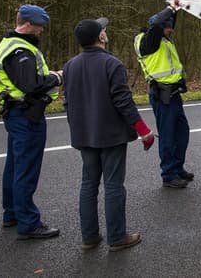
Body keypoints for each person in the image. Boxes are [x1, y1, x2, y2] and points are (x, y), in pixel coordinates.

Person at [63, 18, 156, 252]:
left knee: (88, 184)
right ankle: (117, 237)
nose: (105, 32)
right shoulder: (112, 64)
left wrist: (76, 127)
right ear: (101, 37)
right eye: (103, 30)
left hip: (84, 134)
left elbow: (68, 103)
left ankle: (90, 237)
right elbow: (123, 101)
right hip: (111, 134)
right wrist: (143, 130)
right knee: (113, 185)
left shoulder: (69, 66)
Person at [0, 4, 63, 240]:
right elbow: (31, 85)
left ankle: (12, 213)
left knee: (14, 166)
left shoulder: (8, 44)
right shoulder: (20, 51)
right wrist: (56, 77)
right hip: (26, 115)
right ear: (28, 25)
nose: (42, 30)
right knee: (26, 170)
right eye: (40, 26)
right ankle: (29, 223)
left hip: (15, 112)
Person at [134, 0, 193, 188]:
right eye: (169, 27)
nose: (172, 30)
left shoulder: (163, 39)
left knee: (182, 132)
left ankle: (177, 167)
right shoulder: (149, 41)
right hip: (162, 95)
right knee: (167, 136)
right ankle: (168, 174)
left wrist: (177, 10)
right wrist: (170, 7)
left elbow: (165, 22)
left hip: (174, 94)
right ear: (160, 28)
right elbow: (159, 23)